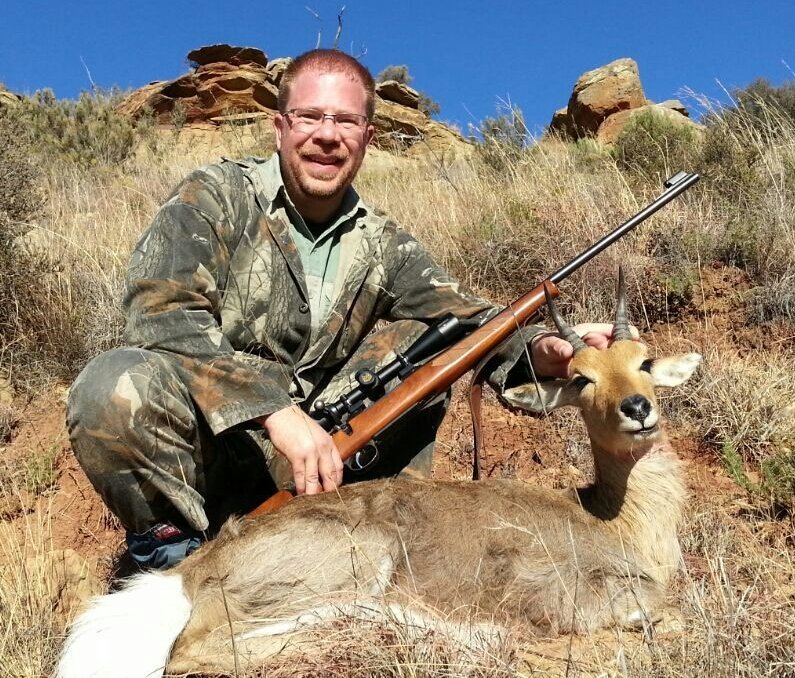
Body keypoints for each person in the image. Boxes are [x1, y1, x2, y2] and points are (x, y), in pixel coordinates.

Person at [67, 49, 622, 569]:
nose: (326, 136)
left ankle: (385, 550)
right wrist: (274, 412)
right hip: (217, 450)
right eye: (309, 116)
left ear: (368, 136)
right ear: (280, 126)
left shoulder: (385, 243)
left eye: (346, 122)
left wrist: (542, 352)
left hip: (322, 467)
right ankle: (176, 561)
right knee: (112, 385)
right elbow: (161, 309)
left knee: (428, 344)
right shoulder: (216, 195)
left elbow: (474, 323)